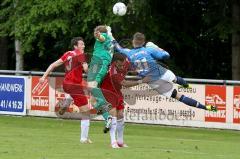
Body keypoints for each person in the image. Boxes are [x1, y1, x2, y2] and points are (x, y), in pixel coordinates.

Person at [112, 32, 217, 111]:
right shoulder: (148, 49)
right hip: (161, 72)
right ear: (143, 42)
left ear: (133, 42)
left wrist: (110, 34)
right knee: (175, 79)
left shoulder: (129, 53)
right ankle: (186, 85)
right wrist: (158, 49)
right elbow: (166, 55)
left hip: (152, 81)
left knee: (178, 96)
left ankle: (206, 107)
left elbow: (118, 48)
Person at [39, 37, 92, 143]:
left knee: (77, 90)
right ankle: (84, 138)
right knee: (86, 112)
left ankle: (67, 100)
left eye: (83, 44)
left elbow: (53, 65)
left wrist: (43, 77)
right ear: (75, 46)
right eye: (81, 44)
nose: (83, 46)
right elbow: (86, 69)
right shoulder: (80, 55)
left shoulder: (68, 54)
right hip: (74, 86)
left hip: (66, 84)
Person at [101, 53, 148, 148]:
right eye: (120, 65)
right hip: (107, 91)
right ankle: (113, 142)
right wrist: (141, 81)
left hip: (117, 92)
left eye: (123, 64)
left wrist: (143, 71)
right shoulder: (113, 71)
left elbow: (135, 69)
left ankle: (120, 141)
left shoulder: (126, 62)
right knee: (113, 114)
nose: (122, 66)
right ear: (115, 62)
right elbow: (125, 83)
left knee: (121, 114)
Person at [87, 25, 115, 132]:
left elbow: (102, 37)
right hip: (104, 65)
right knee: (93, 101)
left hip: (98, 64)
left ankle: (106, 106)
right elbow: (110, 39)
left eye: (96, 31)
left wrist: (99, 35)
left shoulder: (103, 36)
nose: (95, 33)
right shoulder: (111, 40)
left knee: (91, 87)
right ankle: (107, 117)